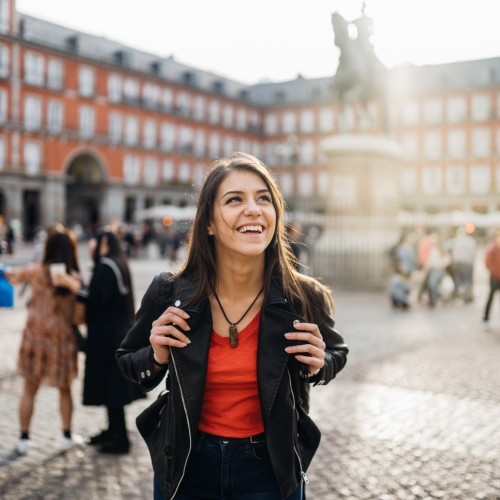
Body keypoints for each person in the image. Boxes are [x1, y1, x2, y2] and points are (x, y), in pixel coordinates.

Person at [116, 152, 349, 500]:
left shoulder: (303, 296)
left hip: (270, 469)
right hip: (186, 466)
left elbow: (336, 351)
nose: (253, 209)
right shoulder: (169, 291)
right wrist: (157, 355)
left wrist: (320, 364)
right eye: (234, 199)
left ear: (275, 215)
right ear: (208, 222)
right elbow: (128, 359)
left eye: (264, 199)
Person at [55, 230, 144, 454]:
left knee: (112, 387)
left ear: (103, 241)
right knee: (110, 386)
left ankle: (119, 438)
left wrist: (74, 286)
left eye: (93, 240)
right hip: (115, 333)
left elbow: (96, 300)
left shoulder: (106, 265)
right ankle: (112, 430)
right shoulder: (116, 263)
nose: (90, 245)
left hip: (108, 337)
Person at [3, 229, 82, 455]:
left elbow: (11, 275)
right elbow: (79, 316)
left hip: (35, 338)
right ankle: (67, 436)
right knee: (65, 388)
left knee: (30, 388)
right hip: (62, 340)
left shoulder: (36, 271)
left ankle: (23, 439)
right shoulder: (73, 278)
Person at [451, 227, 477, 303]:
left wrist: (454, 262)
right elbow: (473, 253)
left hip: (458, 261)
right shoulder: (472, 241)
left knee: (459, 279)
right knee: (467, 280)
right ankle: (466, 295)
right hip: (467, 262)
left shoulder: (458, 240)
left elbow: (454, 252)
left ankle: (455, 293)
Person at [483, 232, 500, 323]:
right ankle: (486, 317)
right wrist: (494, 271)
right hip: (494, 277)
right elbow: (487, 262)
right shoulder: (492, 248)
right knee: (491, 296)